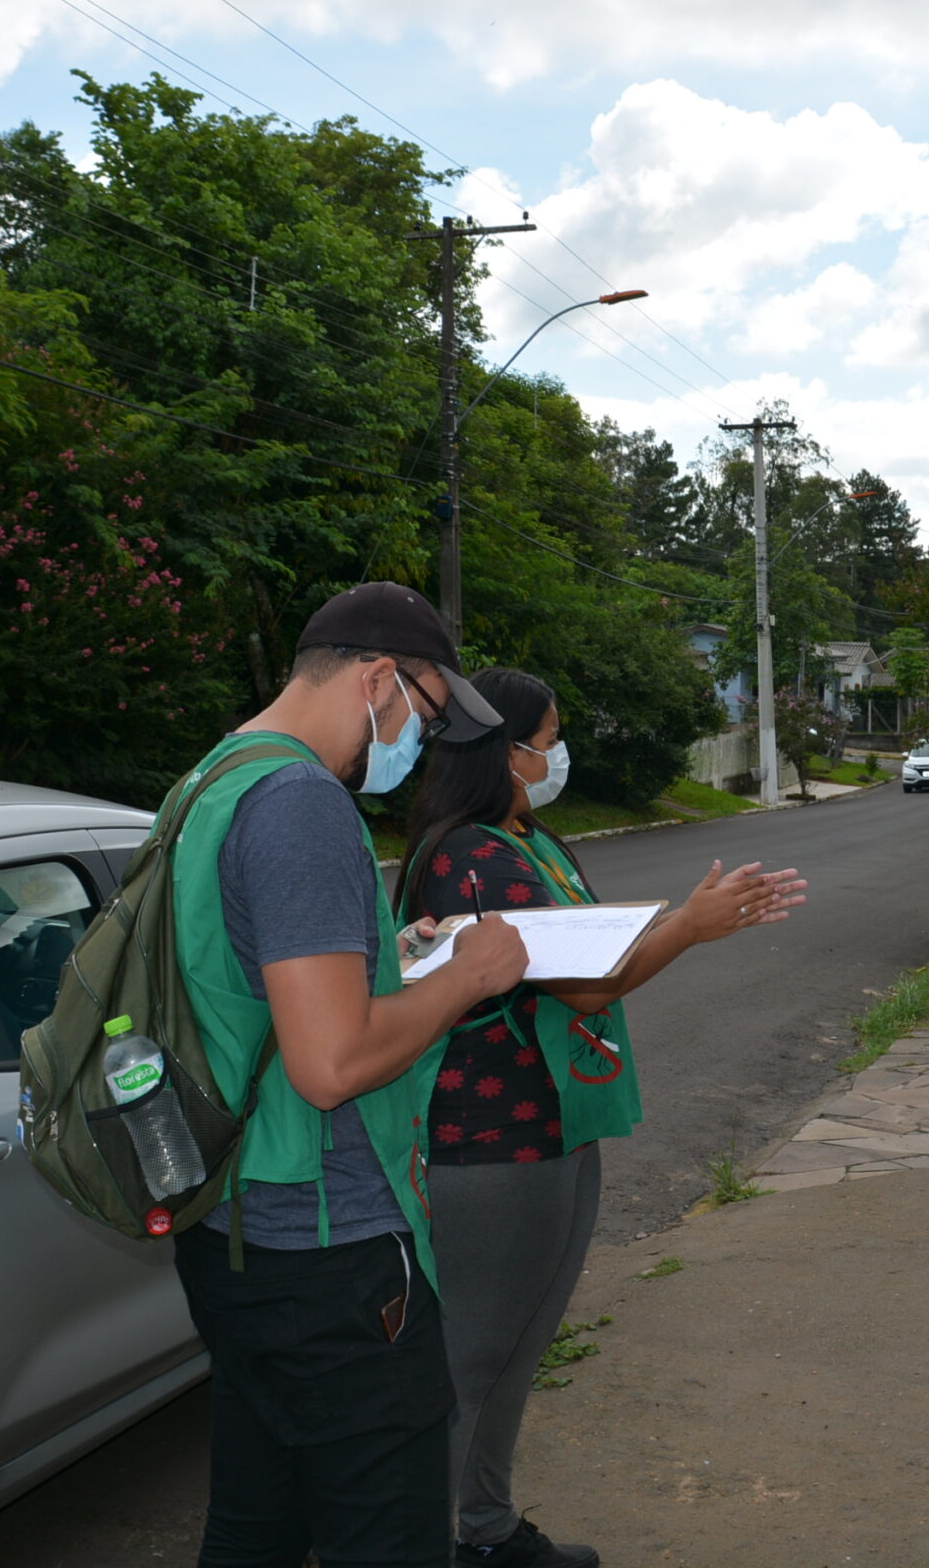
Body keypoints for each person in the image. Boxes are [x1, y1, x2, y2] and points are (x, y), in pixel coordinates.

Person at [399, 668, 807, 1568]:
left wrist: (687, 921)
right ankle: (414, 1545)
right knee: (470, 1361)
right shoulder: (467, 855)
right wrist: (690, 926)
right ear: (504, 750)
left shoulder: (525, 837)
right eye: (549, 739)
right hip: (490, 1144)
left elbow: (595, 942)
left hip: (558, 1125)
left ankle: (486, 1531)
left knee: (518, 1347)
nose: (559, 755)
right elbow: (583, 981)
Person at [169, 582, 534, 1568]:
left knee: (256, 1529)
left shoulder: (213, 779)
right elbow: (330, 1065)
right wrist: (467, 976)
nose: (422, 740)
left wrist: (392, 965)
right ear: (378, 679)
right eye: (426, 713)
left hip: (233, 1228)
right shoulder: (301, 802)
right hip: (330, 1257)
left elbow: (252, 989)